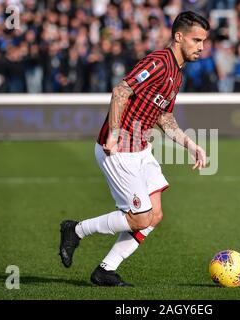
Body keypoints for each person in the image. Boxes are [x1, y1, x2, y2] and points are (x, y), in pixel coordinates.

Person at [58, 11, 209, 287]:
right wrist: (114, 135)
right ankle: (76, 230)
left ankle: (105, 270)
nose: (201, 47)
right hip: (119, 149)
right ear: (178, 37)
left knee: (155, 215)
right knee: (140, 219)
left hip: (140, 148)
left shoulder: (177, 74)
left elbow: (163, 117)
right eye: (196, 40)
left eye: (203, 41)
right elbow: (121, 91)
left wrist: (190, 144)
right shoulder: (159, 62)